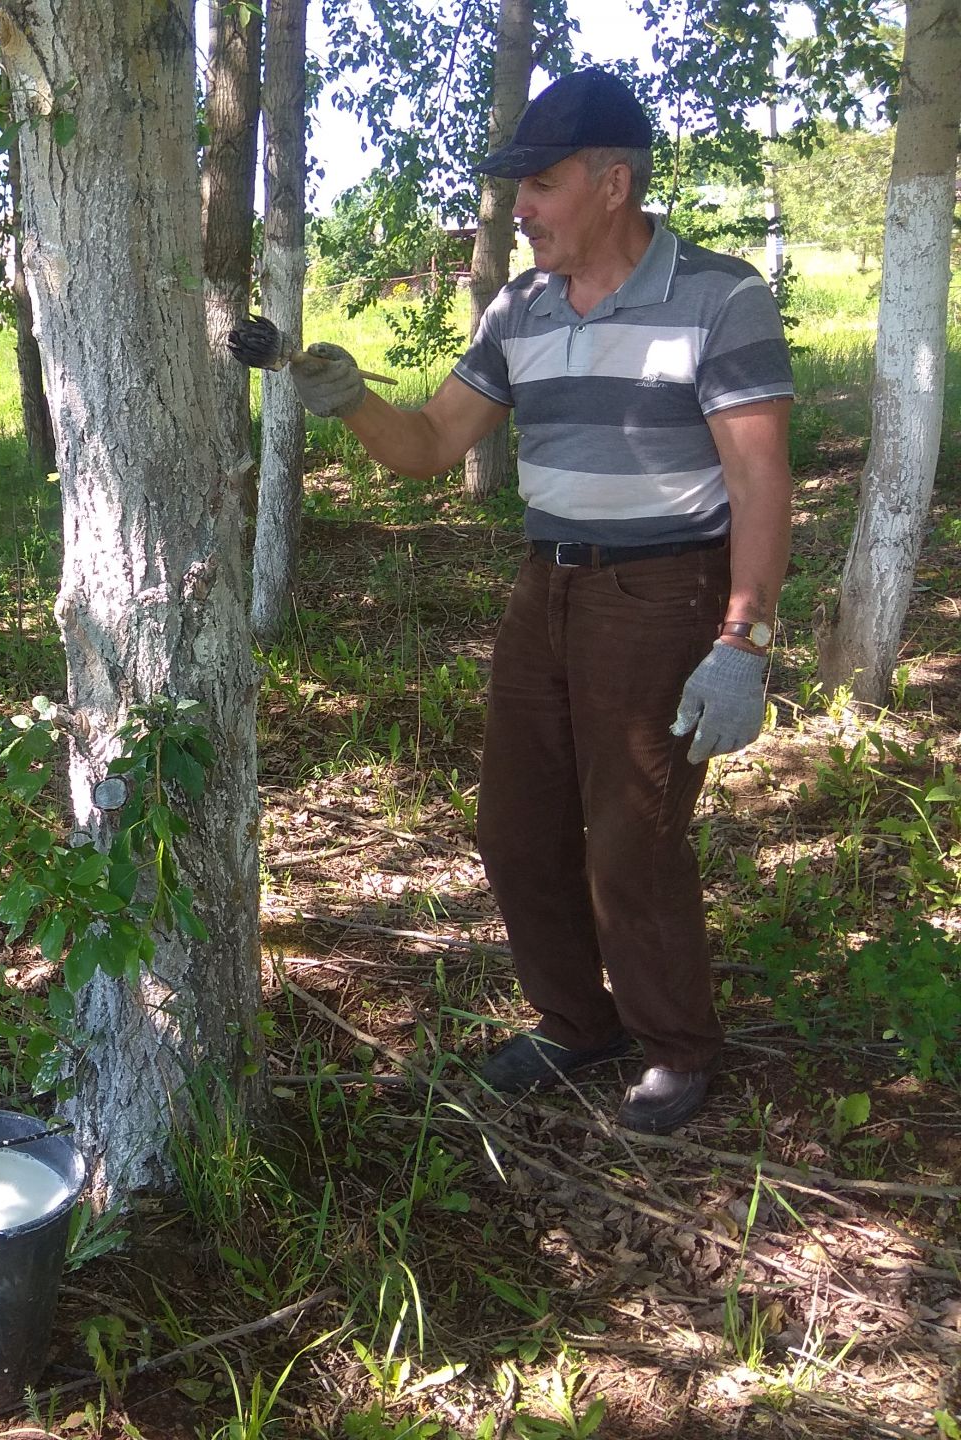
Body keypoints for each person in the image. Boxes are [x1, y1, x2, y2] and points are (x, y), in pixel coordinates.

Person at [287, 69, 792, 1135]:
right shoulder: (517, 309)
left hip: (663, 591)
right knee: (515, 827)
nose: (522, 208)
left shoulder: (719, 296)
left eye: (543, 185)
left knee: (633, 833)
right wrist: (345, 397)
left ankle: (675, 1044)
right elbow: (429, 447)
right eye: (519, 186)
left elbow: (758, 479)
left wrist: (742, 637)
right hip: (544, 586)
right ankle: (575, 1020)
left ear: (613, 184)